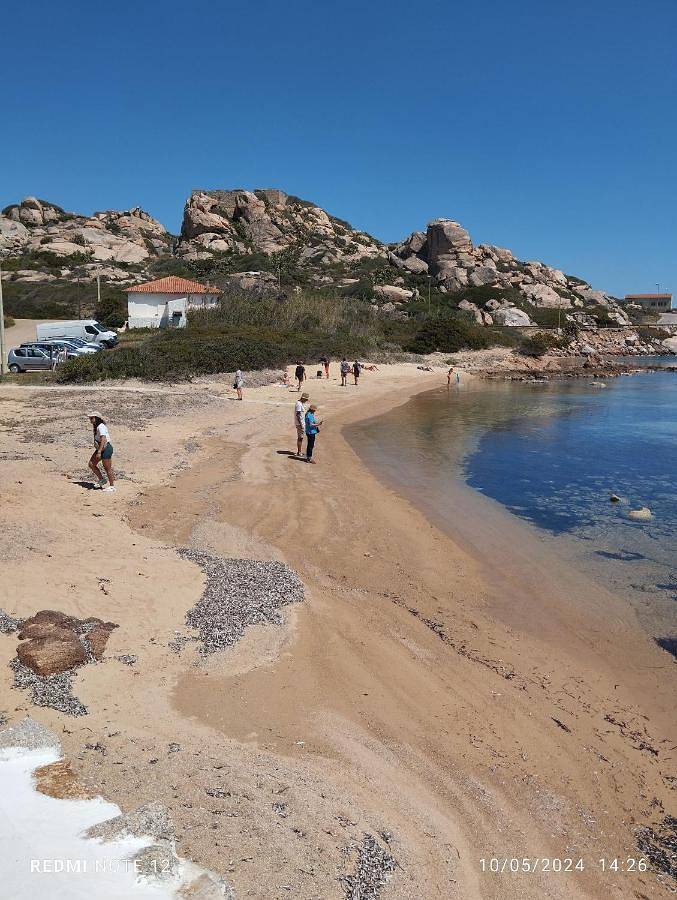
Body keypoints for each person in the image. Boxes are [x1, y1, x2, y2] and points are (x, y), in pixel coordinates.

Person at [87, 411, 115, 492]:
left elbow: (103, 439)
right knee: (91, 464)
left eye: (92, 418)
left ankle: (112, 486)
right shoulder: (96, 426)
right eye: (90, 418)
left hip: (106, 449)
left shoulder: (101, 427)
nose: (90, 420)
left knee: (107, 468)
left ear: (97, 418)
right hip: (101, 448)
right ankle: (102, 480)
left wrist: (99, 451)